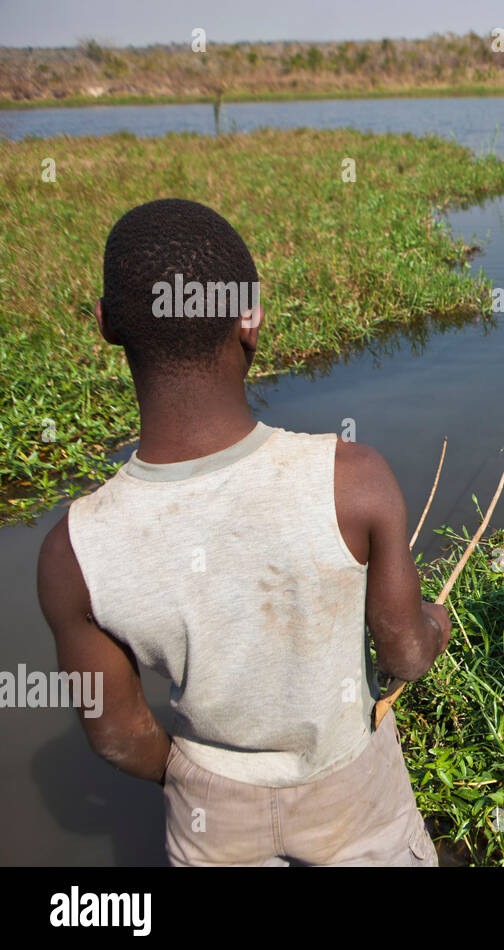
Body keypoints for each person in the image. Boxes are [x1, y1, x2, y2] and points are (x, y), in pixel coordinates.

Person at [36, 198, 449, 866]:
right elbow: (405, 656)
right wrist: (436, 623)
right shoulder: (354, 479)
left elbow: (117, 734)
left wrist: (204, 780)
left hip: (210, 816)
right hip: (351, 794)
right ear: (250, 320)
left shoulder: (74, 550)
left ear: (108, 325)